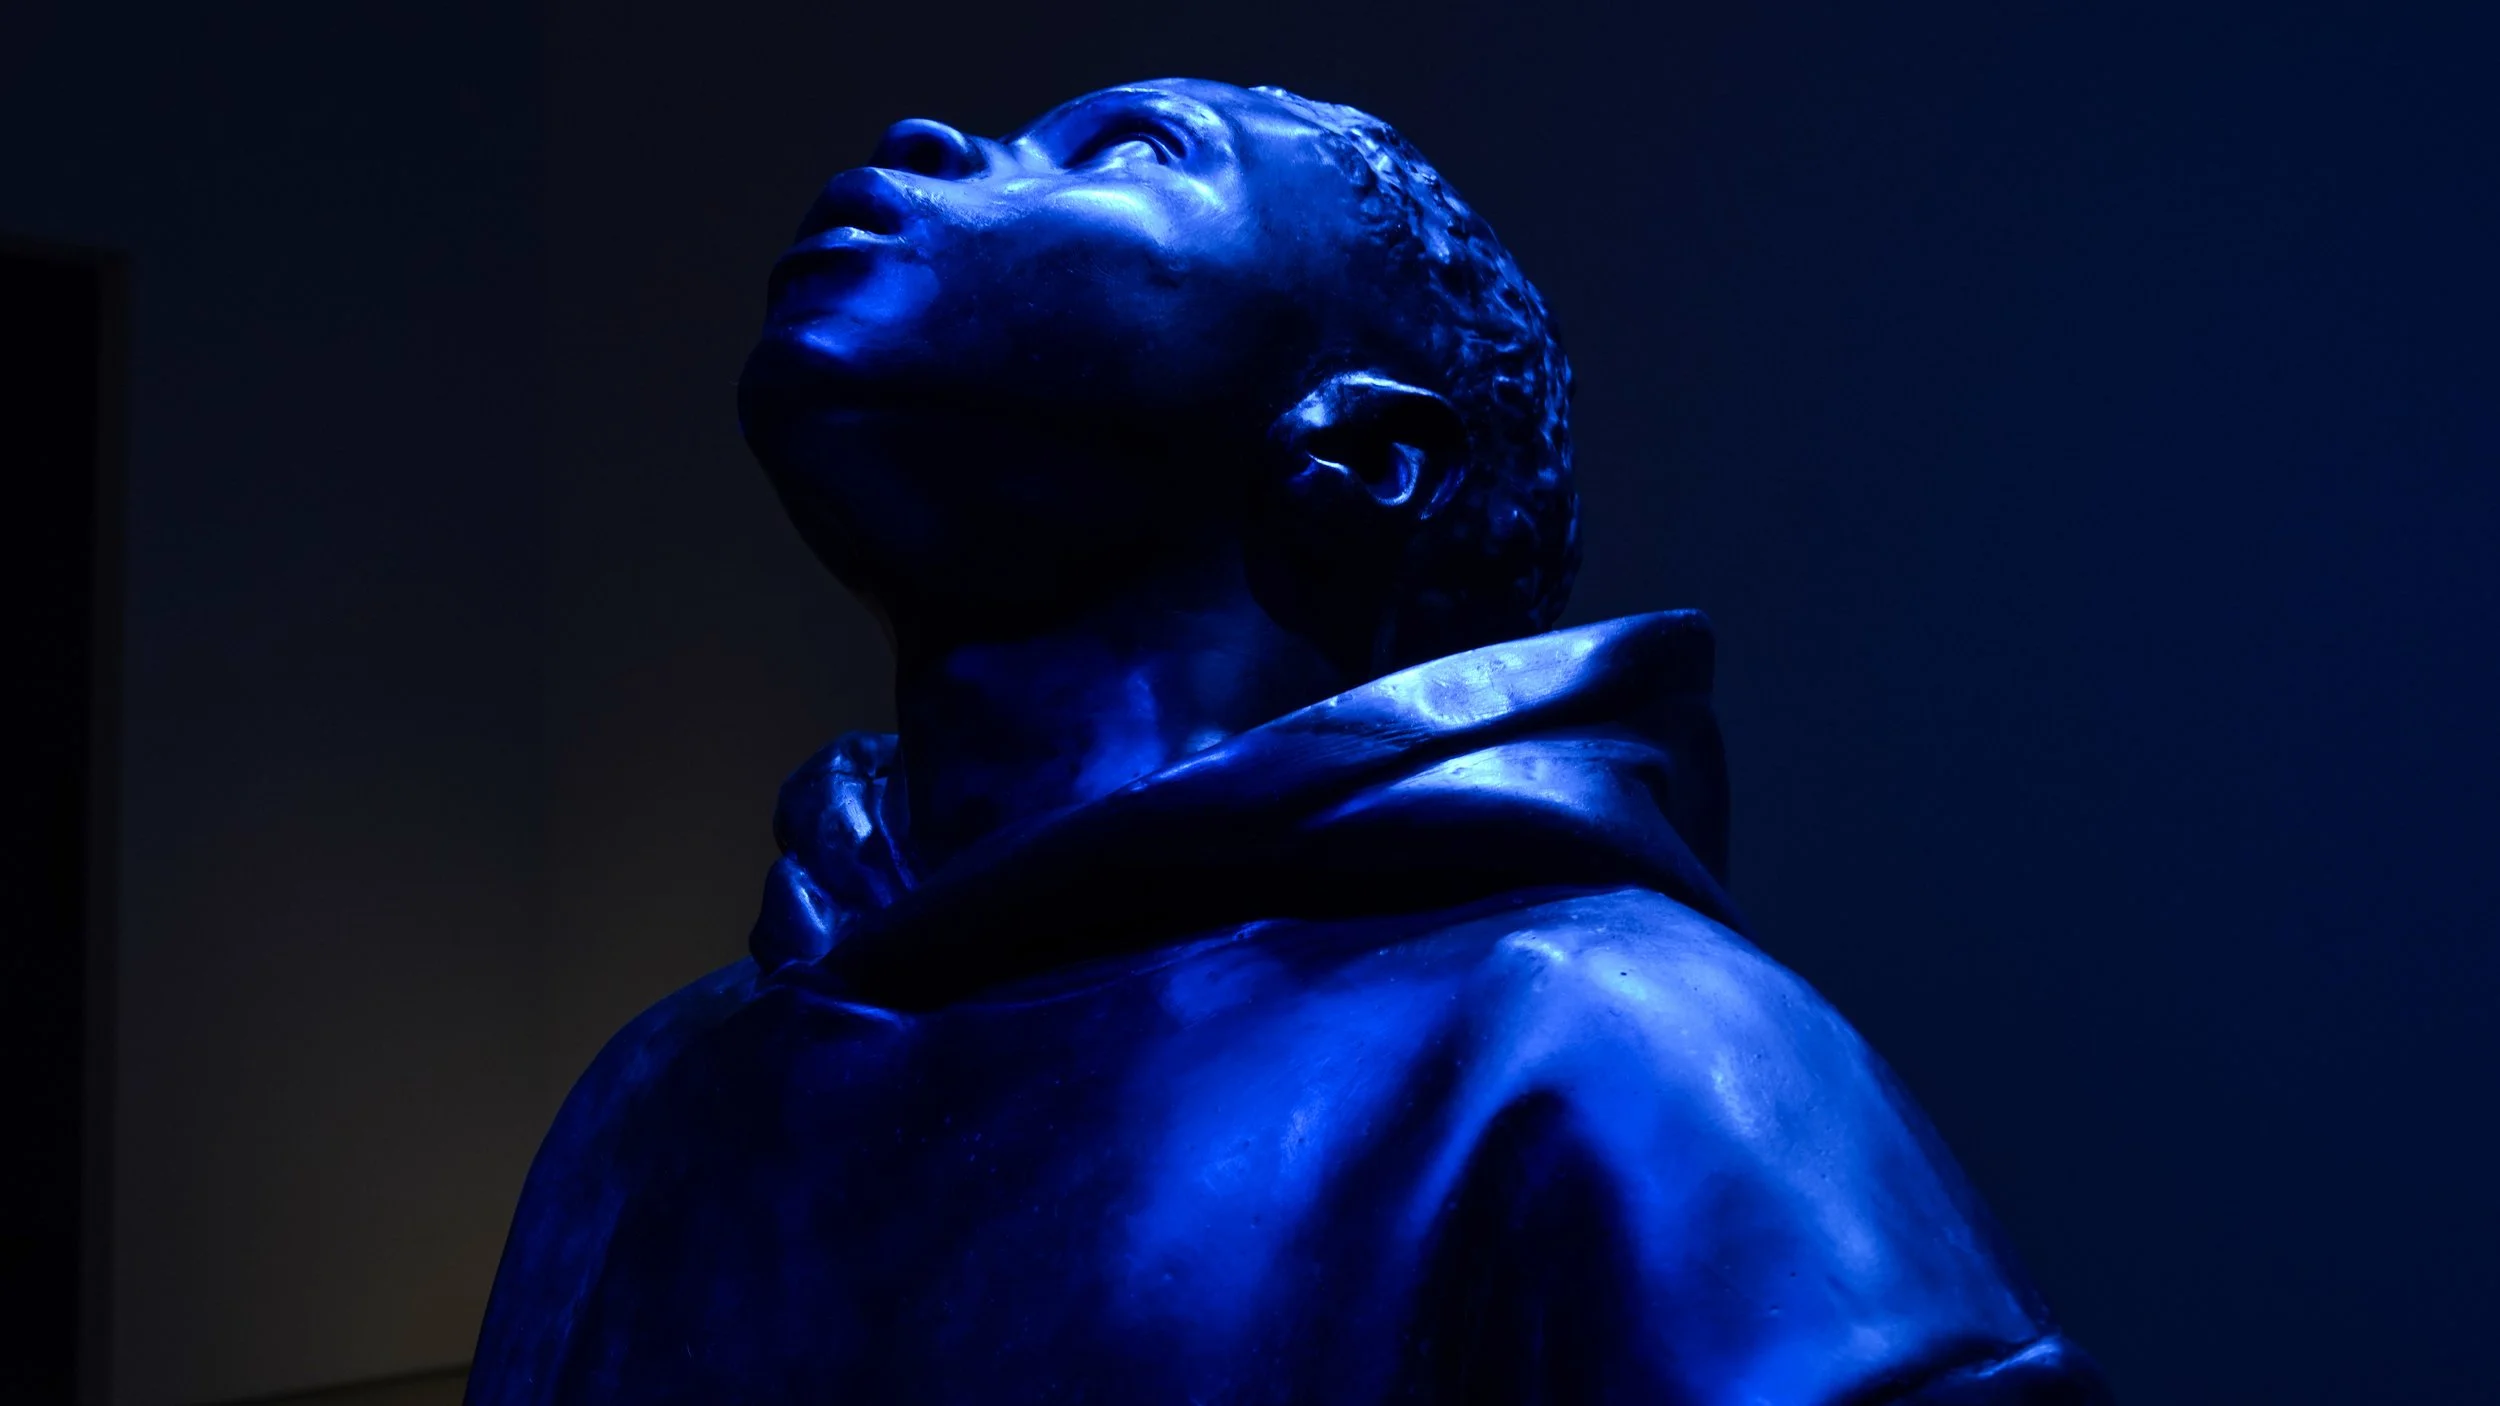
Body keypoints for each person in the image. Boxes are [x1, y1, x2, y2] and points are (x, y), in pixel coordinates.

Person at [469, 78, 2109, 1405]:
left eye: (1133, 151)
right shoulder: (662, 1102)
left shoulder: (1624, 1059)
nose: (931, 141)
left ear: (1367, 460)